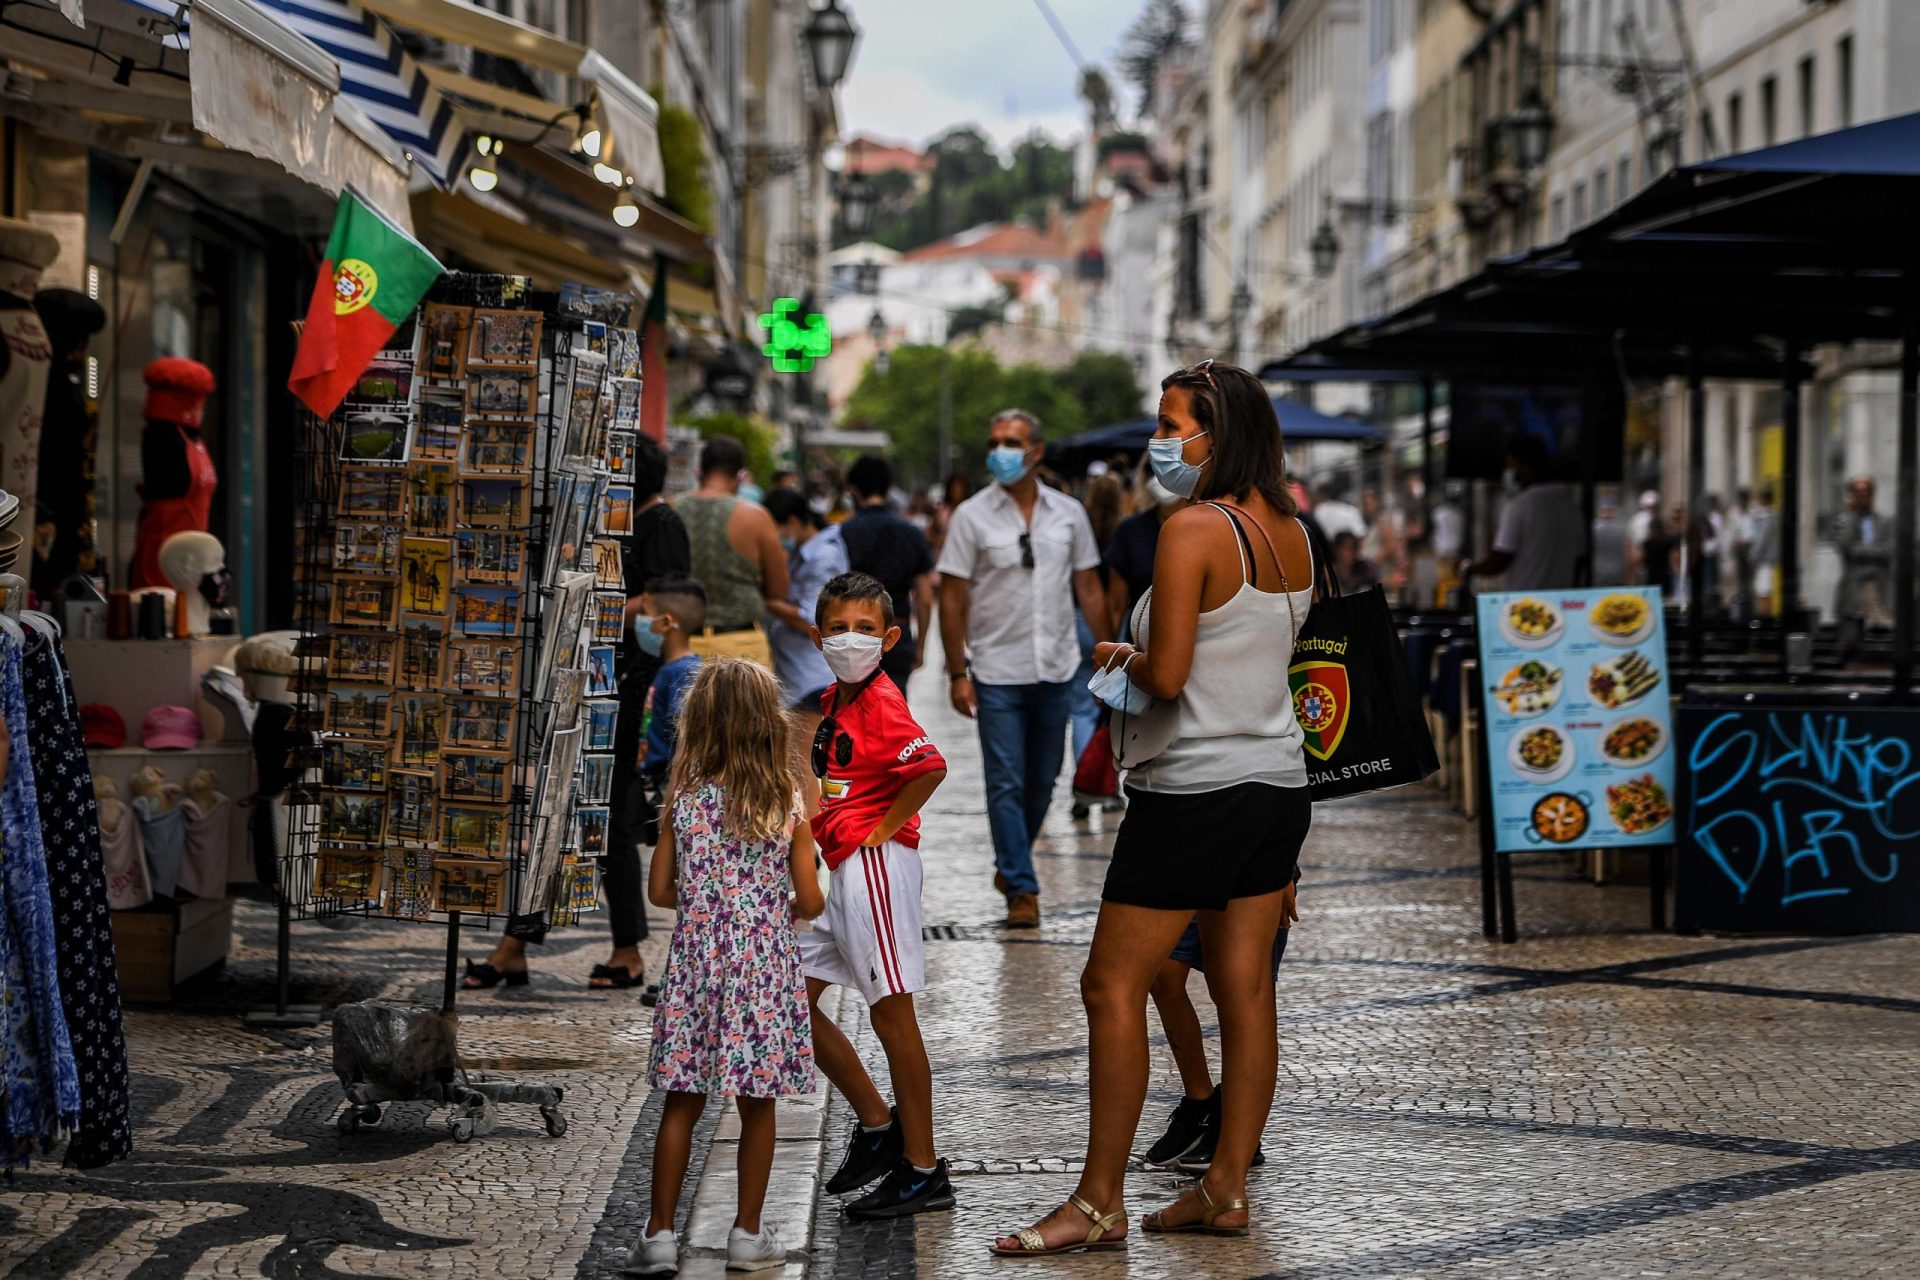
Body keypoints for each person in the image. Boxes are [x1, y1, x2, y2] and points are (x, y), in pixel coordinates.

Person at [992, 360, 1315, 1257]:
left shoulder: (1194, 530)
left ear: (1220, 432)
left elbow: (1168, 676)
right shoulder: (1292, 529)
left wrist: (1118, 657)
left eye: (1175, 425)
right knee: (1246, 992)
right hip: (1276, 786)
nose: (1161, 442)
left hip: (1195, 791)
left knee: (1110, 983)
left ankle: (1097, 1202)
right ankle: (1225, 1187)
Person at [623, 660, 826, 1277]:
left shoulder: (683, 803)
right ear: (769, 724)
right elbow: (812, 901)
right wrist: (768, 904)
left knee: (681, 1099)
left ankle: (659, 1236)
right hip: (764, 964)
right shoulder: (785, 800)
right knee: (756, 1103)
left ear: (697, 724)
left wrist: (710, 898)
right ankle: (746, 1233)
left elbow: (660, 892)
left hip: (694, 964)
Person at [799, 573, 953, 1219]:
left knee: (893, 1017)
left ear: (889, 638)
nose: (850, 639)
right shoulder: (836, 698)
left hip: (876, 870)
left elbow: (929, 766)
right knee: (786, 996)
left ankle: (921, 1169)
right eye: (838, 628)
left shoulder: (883, 700)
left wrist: (882, 829)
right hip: (845, 873)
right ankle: (875, 1123)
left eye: (865, 629)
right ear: (818, 635)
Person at [936, 410, 1111, 929]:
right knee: (1006, 782)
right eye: (993, 442)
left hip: (1056, 668)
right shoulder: (971, 517)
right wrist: (955, 671)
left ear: (1036, 451)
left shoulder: (1069, 515)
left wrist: (1106, 658)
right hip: (995, 669)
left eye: (1010, 442)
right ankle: (1020, 885)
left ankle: (1010, 861)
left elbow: (1089, 588)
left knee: (1044, 780)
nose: (1000, 451)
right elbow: (952, 597)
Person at [673, 436, 788, 667]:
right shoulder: (754, 517)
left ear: (699, 471)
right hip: (741, 648)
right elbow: (779, 590)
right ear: (741, 476)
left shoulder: (671, 509)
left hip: (681, 644)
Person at [839, 455, 936, 694]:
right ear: (888, 488)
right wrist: (920, 646)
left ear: (853, 490)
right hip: (896, 634)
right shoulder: (912, 533)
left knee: (853, 716)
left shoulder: (843, 532)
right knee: (893, 715)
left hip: (853, 638)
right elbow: (924, 597)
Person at [765, 489, 847, 739]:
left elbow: (813, 620)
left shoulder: (823, 558)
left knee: (805, 766)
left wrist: (767, 601)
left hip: (810, 679)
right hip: (795, 677)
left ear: (792, 522)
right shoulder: (801, 555)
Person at [1462, 437, 1582, 592]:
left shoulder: (1520, 506)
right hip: (1561, 602)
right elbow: (1580, 562)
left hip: (1525, 603)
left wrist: (1467, 568)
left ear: (1525, 468)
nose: (1508, 472)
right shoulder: (1570, 506)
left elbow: (1498, 562)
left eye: (1511, 466)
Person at [1069, 471, 1129, 783]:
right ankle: (1105, 782)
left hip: (1078, 620)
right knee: (1112, 705)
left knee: (1081, 707)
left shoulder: (1081, 529)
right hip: (1114, 626)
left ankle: (1083, 777)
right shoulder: (1125, 533)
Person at [1104, 464, 1182, 634]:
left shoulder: (1207, 529)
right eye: (1154, 470)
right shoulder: (1131, 530)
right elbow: (1116, 605)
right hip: (1141, 646)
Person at [1835, 476, 1893, 629]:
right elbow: (1846, 547)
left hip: (1879, 589)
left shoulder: (1885, 522)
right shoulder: (1845, 521)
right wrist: (1851, 514)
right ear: (1852, 495)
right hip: (1854, 591)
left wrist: (1862, 550)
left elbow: (1888, 550)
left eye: (1866, 493)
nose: (1863, 497)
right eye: (1858, 493)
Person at [1749, 485, 1779, 614]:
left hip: (1765, 559)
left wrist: (1753, 556)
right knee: (1765, 589)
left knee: (1763, 590)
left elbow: (1761, 540)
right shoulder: (1773, 515)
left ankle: (1765, 615)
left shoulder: (1767, 518)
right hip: (1768, 558)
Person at [1590, 491, 1631, 586]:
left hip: (1597, 573)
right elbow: (1628, 552)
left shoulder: (1593, 527)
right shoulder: (1622, 528)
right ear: (1615, 509)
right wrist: (1629, 572)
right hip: (1618, 573)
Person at [1311, 475, 1366, 543]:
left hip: (1325, 550)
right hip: (1347, 550)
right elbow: (1360, 536)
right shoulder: (1352, 510)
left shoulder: (1319, 510)